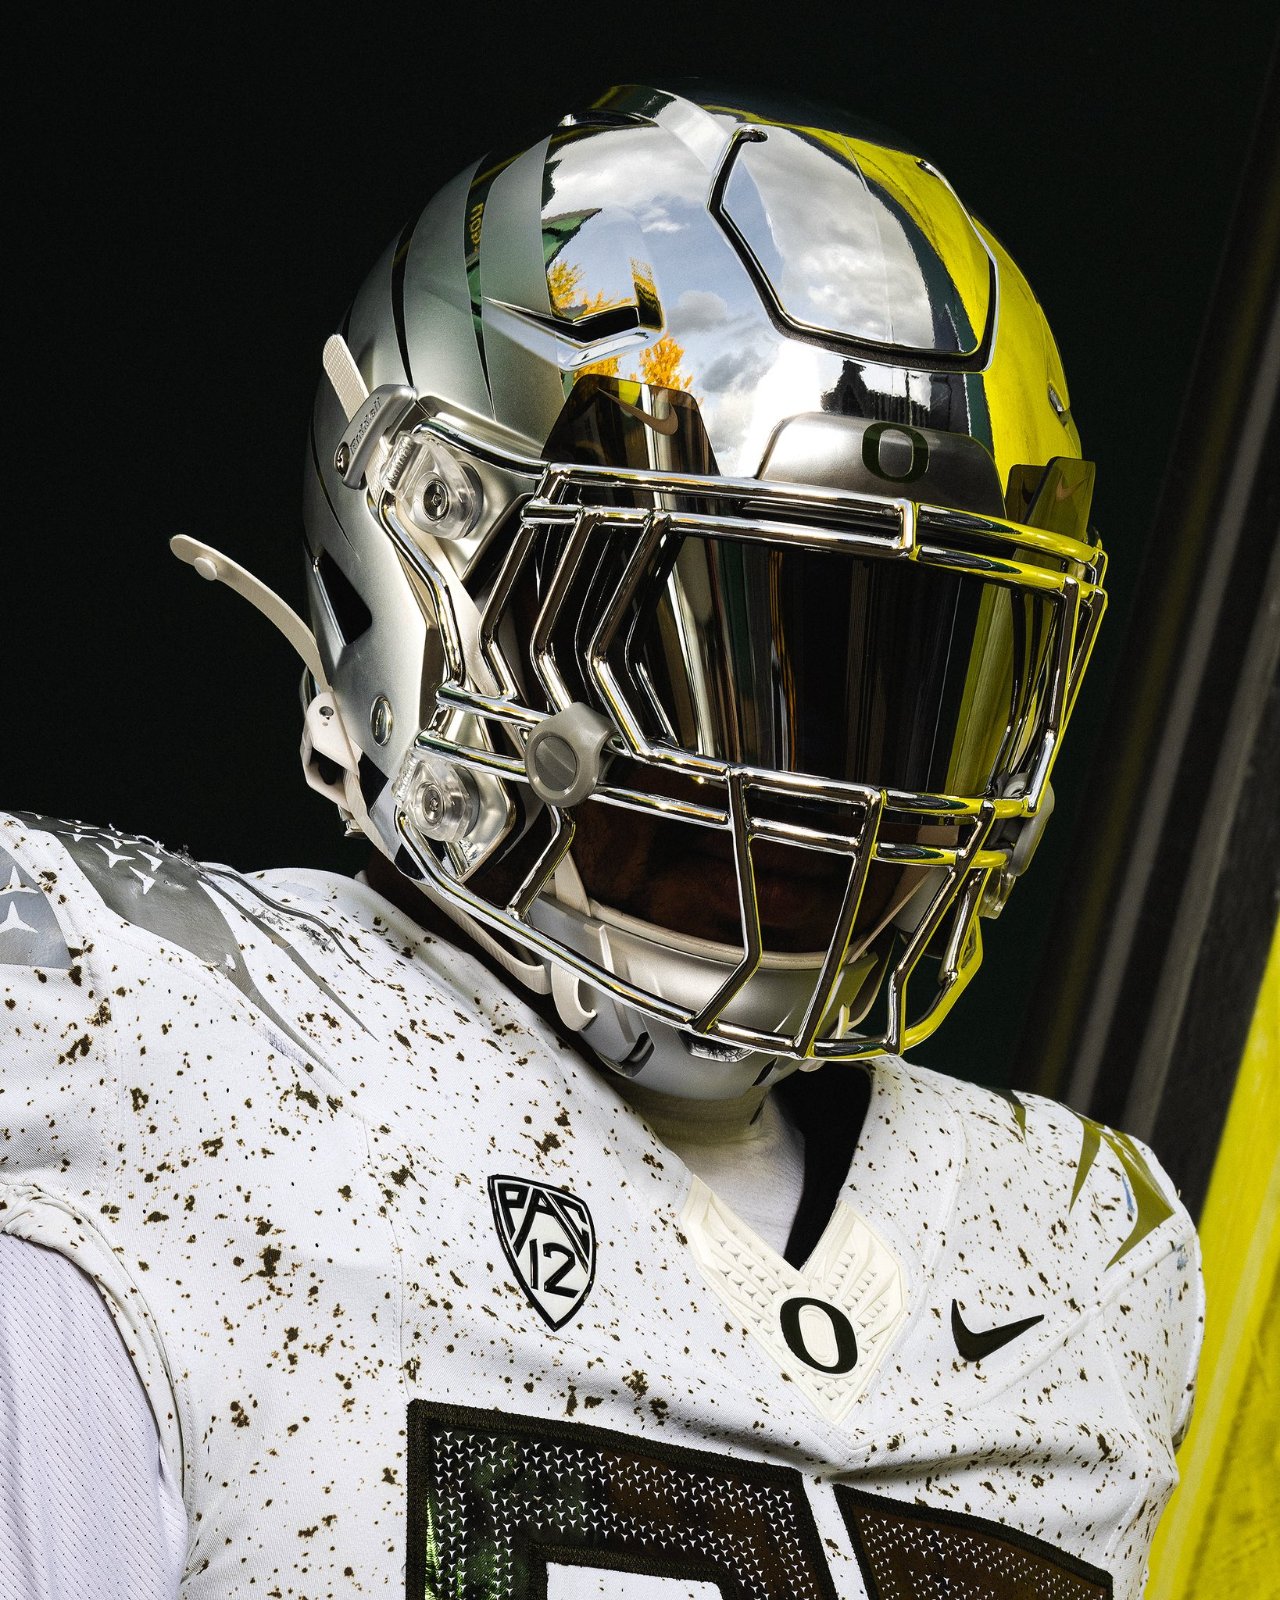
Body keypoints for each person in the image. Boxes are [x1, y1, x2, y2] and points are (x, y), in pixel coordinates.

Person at [0, 85, 1201, 1599]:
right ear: (430, 568)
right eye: (709, 645)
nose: (821, 786)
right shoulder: (155, 1064)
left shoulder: (1080, 1263)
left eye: (902, 673)